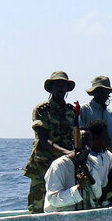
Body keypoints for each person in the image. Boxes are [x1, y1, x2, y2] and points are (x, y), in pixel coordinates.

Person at [23, 71, 77, 213]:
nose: (60, 88)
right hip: (43, 163)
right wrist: (67, 153)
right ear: (51, 88)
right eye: (57, 85)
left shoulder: (72, 111)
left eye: (63, 85)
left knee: (62, 202)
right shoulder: (42, 110)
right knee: (37, 206)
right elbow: (43, 139)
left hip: (64, 165)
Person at [43, 121, 112, 213]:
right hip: (60, 215)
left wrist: (89, 176)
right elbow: (53, 199)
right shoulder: (59, 165)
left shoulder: (90, 163)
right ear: (74, 142)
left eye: (90, 140)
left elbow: (97, 194)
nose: (87, 144)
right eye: (84, 140)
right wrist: (78, 188)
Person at [79, 75, 112, 150]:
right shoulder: (84, 110)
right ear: (93, 92)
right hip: (89, 157)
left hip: (109, 158)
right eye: (99, 90)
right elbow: (79, 136)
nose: (103, 93)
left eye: (106, 91)